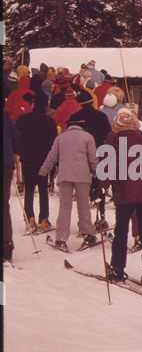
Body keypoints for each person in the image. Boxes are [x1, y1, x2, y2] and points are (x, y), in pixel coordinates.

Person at [100, 108, 142, 286]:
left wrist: (100, 188)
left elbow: (108, 170)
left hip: (125, 194)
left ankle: (118, 269)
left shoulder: (114, 145)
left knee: (121, 231)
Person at [38, 118, 99, 251]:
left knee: (64, 207)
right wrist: (96, 175)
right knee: (83, 206)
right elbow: (93, 158)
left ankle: (61, 238)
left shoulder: (60, 138)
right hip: (82, 175)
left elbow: (52, 157)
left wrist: (43, 172)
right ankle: (88, 234)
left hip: (64, 175)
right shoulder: (88, 137)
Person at [67, 89, 111, 230]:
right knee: (99, 187)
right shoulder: (101, 116)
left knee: (82, 189)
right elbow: (108, 135)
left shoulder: (74, 117)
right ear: (92, 102)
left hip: (80, 156)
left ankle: (83, 221)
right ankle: (101, 218)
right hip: (98, 154)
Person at [15, 90, 58, 233]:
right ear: (46, 106)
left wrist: (19, 150)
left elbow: (16, 137)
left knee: (29, 189)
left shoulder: (22, 119)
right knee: (43, 189)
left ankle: (30, 219)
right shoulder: (50, 122)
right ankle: (44, 219)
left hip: (27, 159)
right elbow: (53, 143)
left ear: (33, 104)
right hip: (43, 160)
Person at [3, 110, 20, 263]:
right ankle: (6, 244)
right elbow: (16, 136)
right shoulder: (4, 115)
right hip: (6, 164)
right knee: (3, 204)